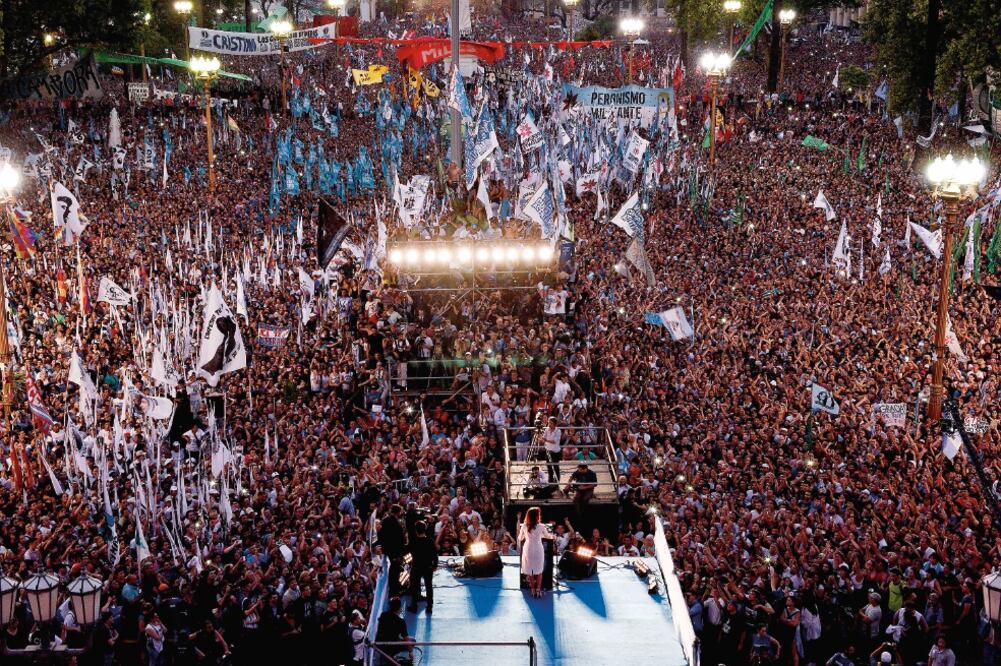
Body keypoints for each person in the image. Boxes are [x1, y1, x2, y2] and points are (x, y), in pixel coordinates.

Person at [518, 507, 554, 598]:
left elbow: (520, 538)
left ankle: (533, 590)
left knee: (530, 570)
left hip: (528, 548)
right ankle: (538, 590)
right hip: (538, 548)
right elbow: (548, 536)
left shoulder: (524, 526)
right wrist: (553, 536)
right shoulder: (542, 526)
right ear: (536, 516)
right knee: (539, 570)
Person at [407, 521, 438, 614]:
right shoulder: (430, 540)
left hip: (416, 567)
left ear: (416, 530)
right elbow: (435, 554)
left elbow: (406, 550)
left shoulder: (413, 541)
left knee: (414, 587)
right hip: (428, 568)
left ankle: (414, 606)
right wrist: (435, 565)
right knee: (429, 587)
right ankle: (429, 607)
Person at [374, 597, 414, 665]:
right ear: (399, 607)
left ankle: (389, 656)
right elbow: (407, 639)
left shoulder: (383, 615)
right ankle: (391, 655)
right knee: (413, 641)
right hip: (392, 645)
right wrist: (410, 652)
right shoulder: (401, 622)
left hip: (380, 643)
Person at [378, 504, 408, 594]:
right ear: (398, 512)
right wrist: (401, 552)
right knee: (395, 570)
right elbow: (400, 539)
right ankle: (394, 589)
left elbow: (381, 535)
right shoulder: (397, 523)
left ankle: (395, 588)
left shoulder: (385, 520)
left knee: (394, 569)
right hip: (395, 551)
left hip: (387, 549)